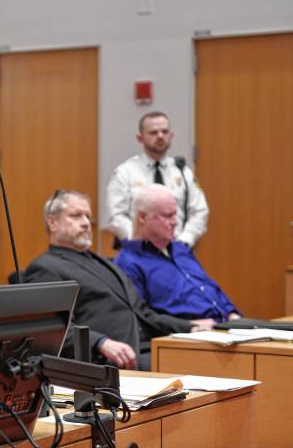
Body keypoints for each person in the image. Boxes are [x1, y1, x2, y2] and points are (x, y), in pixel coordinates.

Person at [23, 190, 212, 371]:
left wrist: (190, 327)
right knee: (201, 366)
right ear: (52, 223)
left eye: (88, 217)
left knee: (209, 356)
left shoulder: (106, 263)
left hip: (145, 348)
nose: (86, 223)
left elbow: (144, 313)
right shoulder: (45, 267)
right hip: (108, 358)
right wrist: (101, 342)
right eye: (76, 216)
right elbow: (53, 330)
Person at [115, 184, 240, 323]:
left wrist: (232, 313)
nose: (175, 222)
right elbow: (141, 318)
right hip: (185, 336)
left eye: (175, 214)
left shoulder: (181, 249)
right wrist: (188, 326)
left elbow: (210, 287)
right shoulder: (128, 262)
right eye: (168, 216)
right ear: (142, 217)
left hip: (224, 328)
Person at [107, 111, 208, 247]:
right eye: (153, 132)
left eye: (164, 132)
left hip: (178, 249)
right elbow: (116, 216)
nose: (160, 136)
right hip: (138, 252)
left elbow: (199, 211)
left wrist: (185, 240)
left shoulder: (183, 172)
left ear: (171, 136)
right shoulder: (125, 173)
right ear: (140, 138)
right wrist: (138, 241)